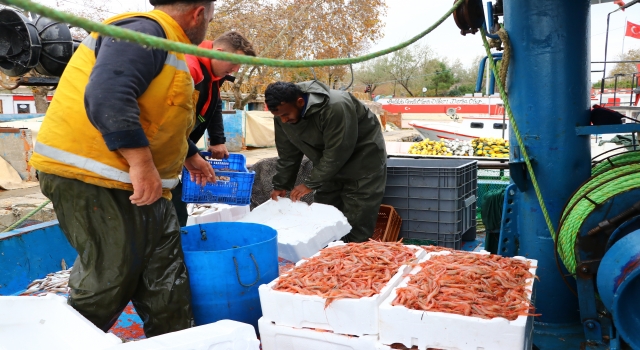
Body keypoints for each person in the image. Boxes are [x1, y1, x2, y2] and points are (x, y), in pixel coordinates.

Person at [29, 0, 217, 337]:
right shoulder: (144, 29)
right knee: (109, 277)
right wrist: (141, 163)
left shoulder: (167, 45)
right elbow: (108, 95)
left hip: (144, 185)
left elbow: (157, 112)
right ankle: (69, 341)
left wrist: (189, 153)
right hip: (96, 178)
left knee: (166, 278)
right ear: (199, 13)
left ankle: (176, 341)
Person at [265, 80, 387, 243]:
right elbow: (288, 153)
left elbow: (338, 150)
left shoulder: (336, 106)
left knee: (357, 221)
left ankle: (352, 260)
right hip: (326, 165)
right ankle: (328, 257)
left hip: (362, 162)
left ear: (300, 102)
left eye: (286, 115)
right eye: (279, 117)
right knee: (324, 216)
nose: (284, 121)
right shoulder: (283, 113)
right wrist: (281, 184)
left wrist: (310, 183)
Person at [171, 31, 256, 226]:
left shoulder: (214, 73)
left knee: (177, 213)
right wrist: (191, 153)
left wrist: (217, 139)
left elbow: (214, 103)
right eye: (233, 64)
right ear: (218, 51)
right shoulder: (189, 69)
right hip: (162, 150)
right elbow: (169, 123)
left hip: (179, 147)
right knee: (172, 216)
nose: (234, 70)